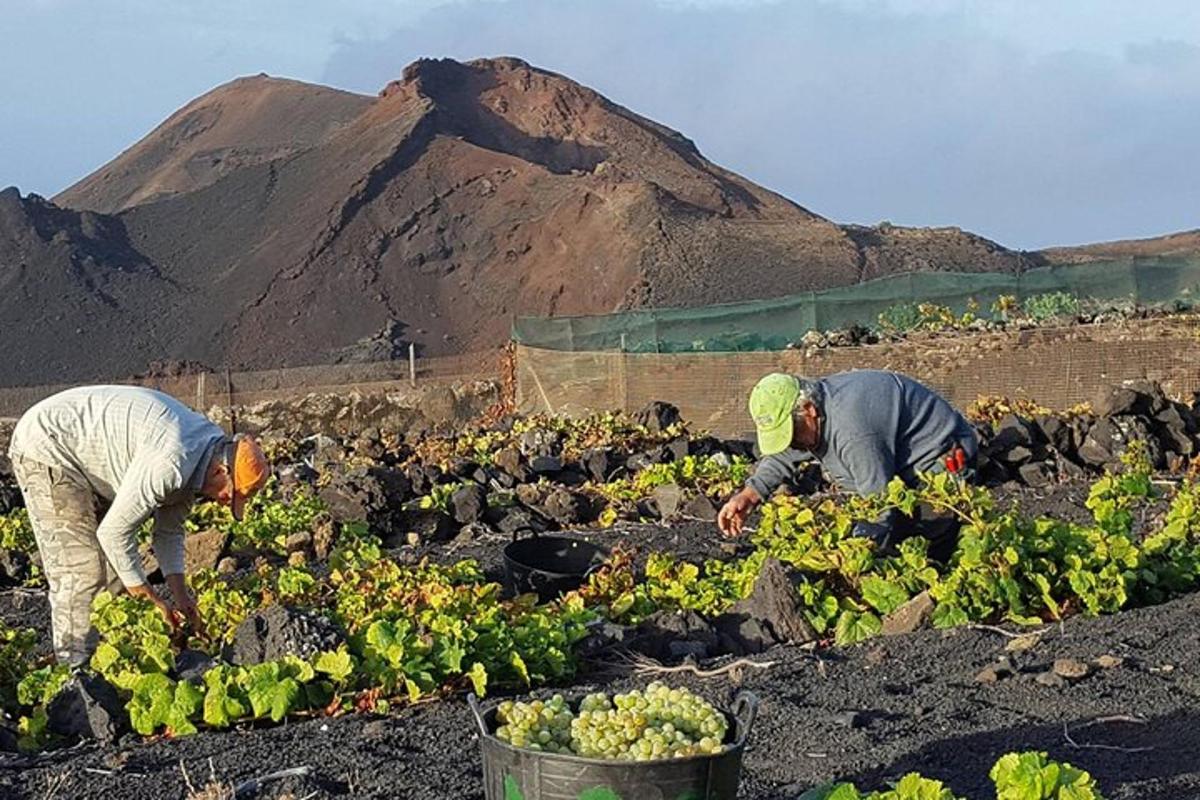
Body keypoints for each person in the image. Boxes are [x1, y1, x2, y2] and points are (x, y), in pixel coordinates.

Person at [7, 385, 270, 665]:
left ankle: (110, 661)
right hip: (48, 444)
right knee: (81, 569)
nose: (223, 501)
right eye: (228, 494)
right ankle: (75, 672)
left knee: (119, 569)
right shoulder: (172, 462)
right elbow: (113, 533)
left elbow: (169, 533)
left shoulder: (205, 456)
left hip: (90, 456)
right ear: (221, 470)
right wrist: (149, 598)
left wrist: (183, 598)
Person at [717, 370, 978, 557]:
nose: (791, 443)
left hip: (938, 454)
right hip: (888, 458)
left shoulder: (853, 431)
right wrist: (750, 495)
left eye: (791, 433)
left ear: (809, 410)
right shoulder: (815, 413)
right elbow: (784, 454)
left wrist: (855, 557)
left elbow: (878, 500)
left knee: (930, 544)